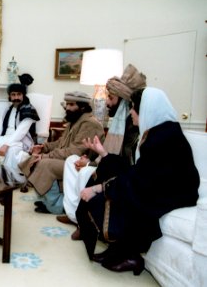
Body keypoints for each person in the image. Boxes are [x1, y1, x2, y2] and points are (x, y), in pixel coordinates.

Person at [76, 87, 199, 275]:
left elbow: (142, 179)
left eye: (134, 107)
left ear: (147, 109)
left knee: (113, 195)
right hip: (155, 185)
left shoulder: (165, 137)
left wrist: (100, 189)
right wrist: (104, 154)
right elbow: (139, 171)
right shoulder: (157, 131)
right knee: (108, 168)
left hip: (174, 193)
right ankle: (118, 248)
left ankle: (130, 254)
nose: (131, 112)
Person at [57, 65, 144, 235]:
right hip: (107, 164)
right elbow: (108, 154)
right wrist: (90, 159)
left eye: (111, 98)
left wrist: (90, 162)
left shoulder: (133, 126)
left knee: (83, 172)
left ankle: (84, 221)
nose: (108, 103)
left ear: (123, 100)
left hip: (118, 172)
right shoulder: (118, 121)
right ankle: (73, 214)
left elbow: (124, 162)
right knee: (71, 161)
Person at [20, 91, 104, 213]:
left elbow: (75, 151)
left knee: (45, 164)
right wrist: (43, 148)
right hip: (68, 160)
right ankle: (47, 200)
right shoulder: (75, 120)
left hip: (80, 164)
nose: (67, 107)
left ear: (83, 107)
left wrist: (45, 156)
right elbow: (60, 143)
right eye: (67, 104)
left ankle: (57, 206)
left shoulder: (89, 123)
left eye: (71, 105)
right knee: (34, 158)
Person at [0, 83, 40, 174]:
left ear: (23, 95)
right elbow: (0, 125)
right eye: (13, 95)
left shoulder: (29, 110)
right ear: (9, 96)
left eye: (19, 94)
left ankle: (11, 178)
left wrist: (6, 145)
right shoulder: (7, 109)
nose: (16, 97)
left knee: (11, 150)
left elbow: (21, 132)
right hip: (6, 138)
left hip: (22, 141)